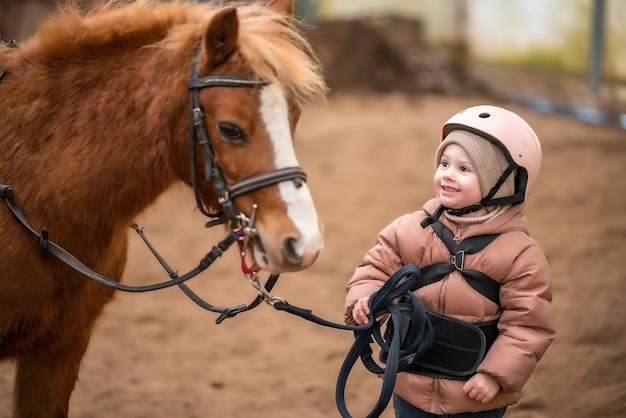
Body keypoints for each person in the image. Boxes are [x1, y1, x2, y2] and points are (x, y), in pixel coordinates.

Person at [344, 105, 555, 417]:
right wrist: (365, 301)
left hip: (473, 396)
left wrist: (494, 376)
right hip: (409, 384)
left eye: (464, 169)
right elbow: (374, 268)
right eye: (444, 163)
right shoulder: (410, 229)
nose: (447, 174)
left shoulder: (520, 255)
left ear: (503, 184)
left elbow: (528, 326)